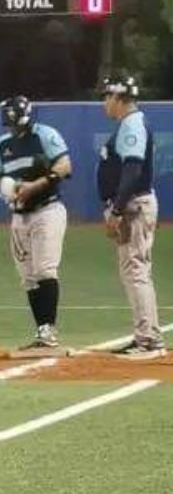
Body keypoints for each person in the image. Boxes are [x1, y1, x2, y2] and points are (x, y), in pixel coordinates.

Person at [0, 96, 72, 357]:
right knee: (28, 276)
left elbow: (65, 165)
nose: (12, 129)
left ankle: (49, 333)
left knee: (45, 269)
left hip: (47, 209)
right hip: (19, 215)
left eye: (15, 123)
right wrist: (7, 188)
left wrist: (36, 185)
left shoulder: (44, 135)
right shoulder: (3, 144)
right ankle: (41, 331)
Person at [96, 75, 166, 360]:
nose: (104, 103)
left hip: (133, 205)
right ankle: (145, 336)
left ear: (118, 98)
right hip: (132, 203)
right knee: (135, 271)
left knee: (136, 271)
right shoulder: (129, 124)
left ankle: (148, 340)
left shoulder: (132, 123)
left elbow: (133, 169)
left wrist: (117, 209)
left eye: (106, 97)